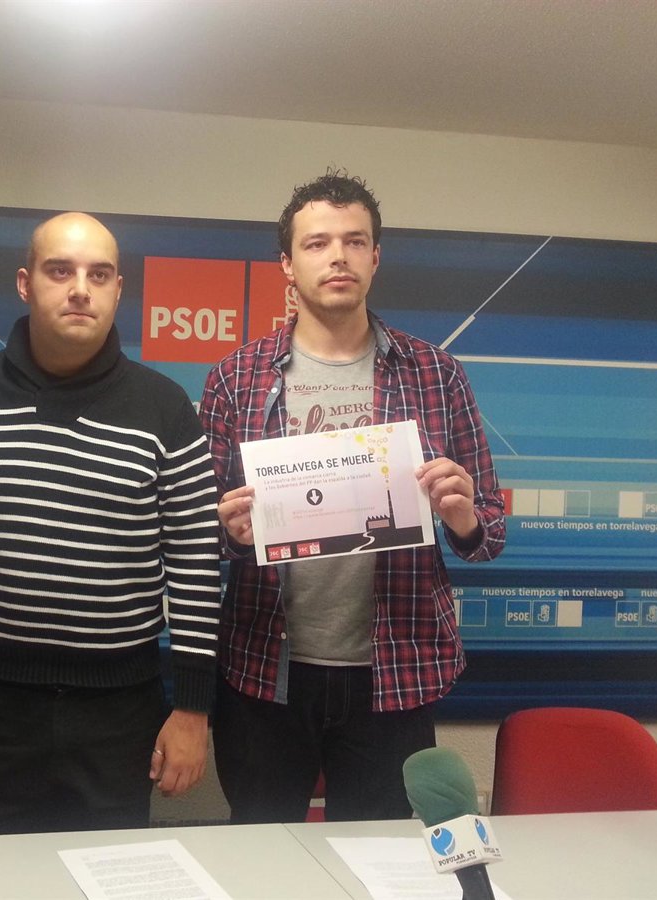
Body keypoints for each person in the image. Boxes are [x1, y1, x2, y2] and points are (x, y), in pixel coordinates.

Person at [199, 171, 505, 823]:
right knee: (263, 853)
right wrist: (229, 532)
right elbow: (200, 535)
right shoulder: (235, 378)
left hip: (394, 674)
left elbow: (490, 535)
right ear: (287, 264)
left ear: (375, 257)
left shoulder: (437, 375)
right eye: (317, 243)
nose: (337, 256)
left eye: (354, 241)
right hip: (265, 671)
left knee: (378, 862)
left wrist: (463, 518)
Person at [0, 212, 221, 836]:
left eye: (99, 274)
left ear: (119, 290)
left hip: (118, 715)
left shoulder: (166, 408)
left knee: (104, 876)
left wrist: (194, 709)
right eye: (60, 271)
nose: (80, 289)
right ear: (25, 283)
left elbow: (195, 564)